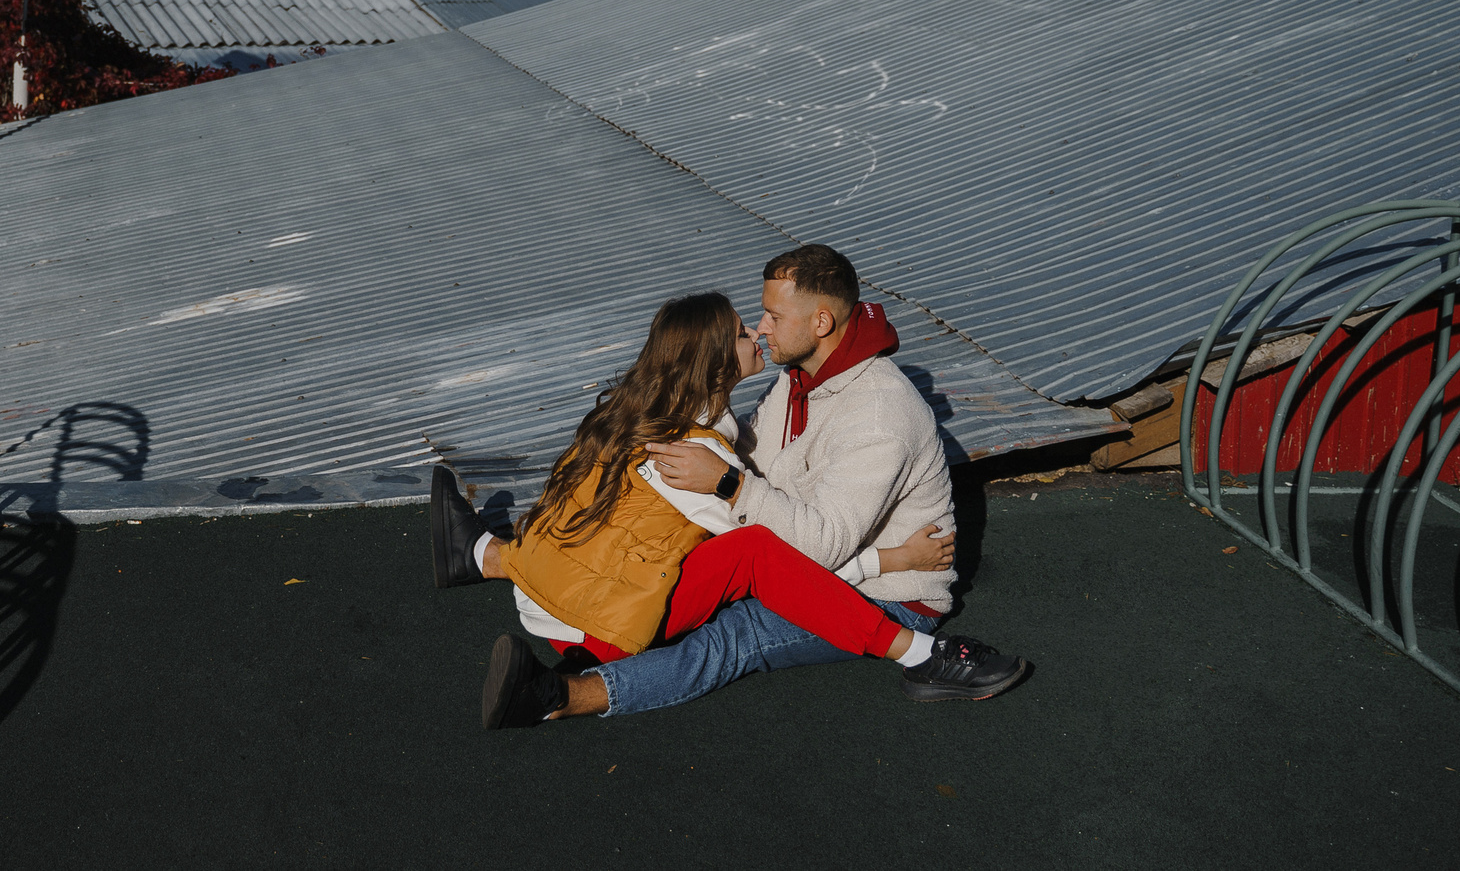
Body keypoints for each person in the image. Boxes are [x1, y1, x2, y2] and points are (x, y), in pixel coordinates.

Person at [431, 271, 1025, 727]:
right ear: (716, 362)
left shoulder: (636, 410)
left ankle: (483, 555)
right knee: (750, 561)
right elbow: (791, 558)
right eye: (748, 328)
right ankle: (923, 656)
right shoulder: (692, 458)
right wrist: (889, 559)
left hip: (548, 592)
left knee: (702, 545)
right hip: (591, 629)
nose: (760, 330)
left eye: (765, 318)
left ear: (820, 323)